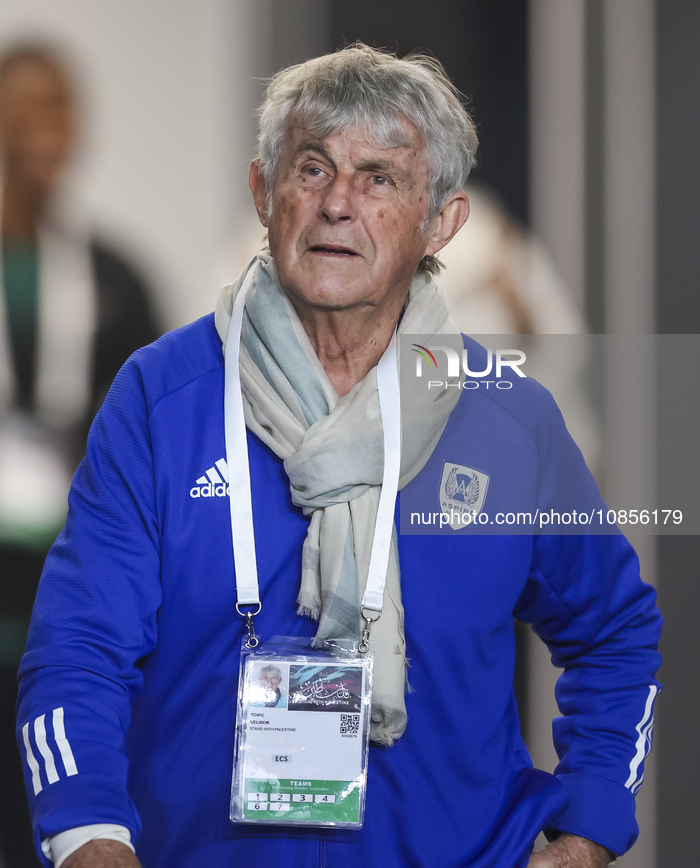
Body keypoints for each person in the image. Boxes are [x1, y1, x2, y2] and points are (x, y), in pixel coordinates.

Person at [16, 45, 660, 868]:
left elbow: (616, 632)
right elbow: (78, 649)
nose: (337, 206)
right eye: (312, 168)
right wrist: (88, 834)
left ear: (442, 221)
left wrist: (591, 830)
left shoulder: (512, 420)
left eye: (380, 178)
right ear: (262, 192)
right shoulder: (161, 399)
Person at [0, 44, 160, 867]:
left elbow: (150, 435)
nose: (45, 130)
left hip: (71, 579)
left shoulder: (117, 278)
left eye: (61, 109)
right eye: (27, 106)